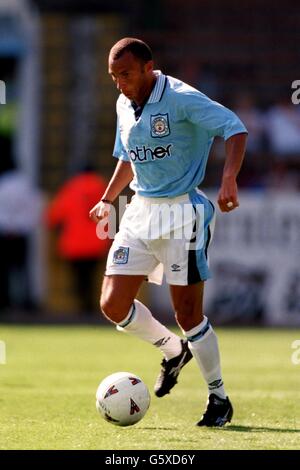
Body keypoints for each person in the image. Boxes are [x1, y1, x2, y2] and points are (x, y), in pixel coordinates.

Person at [89, 38, 247, 426]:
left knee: (188, 314)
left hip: (182, 213)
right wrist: (109, 199)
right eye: (113, 77)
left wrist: (229, 180)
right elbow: (128, 156)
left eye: (125, 74)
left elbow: (235, 128)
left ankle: (218, 398)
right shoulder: (123, 103)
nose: (120, 83)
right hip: (140, 210)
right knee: (112, 304)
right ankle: (173, 350)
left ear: (148, 67)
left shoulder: (181, 97)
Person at [47, 166, 110, 314]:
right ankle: (92, 307)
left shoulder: (71, 187)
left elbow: (53, 217)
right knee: (93, 276)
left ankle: (82, 308)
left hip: (74, 243)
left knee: (78, 278)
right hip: (97, 242)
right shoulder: (103, 187)